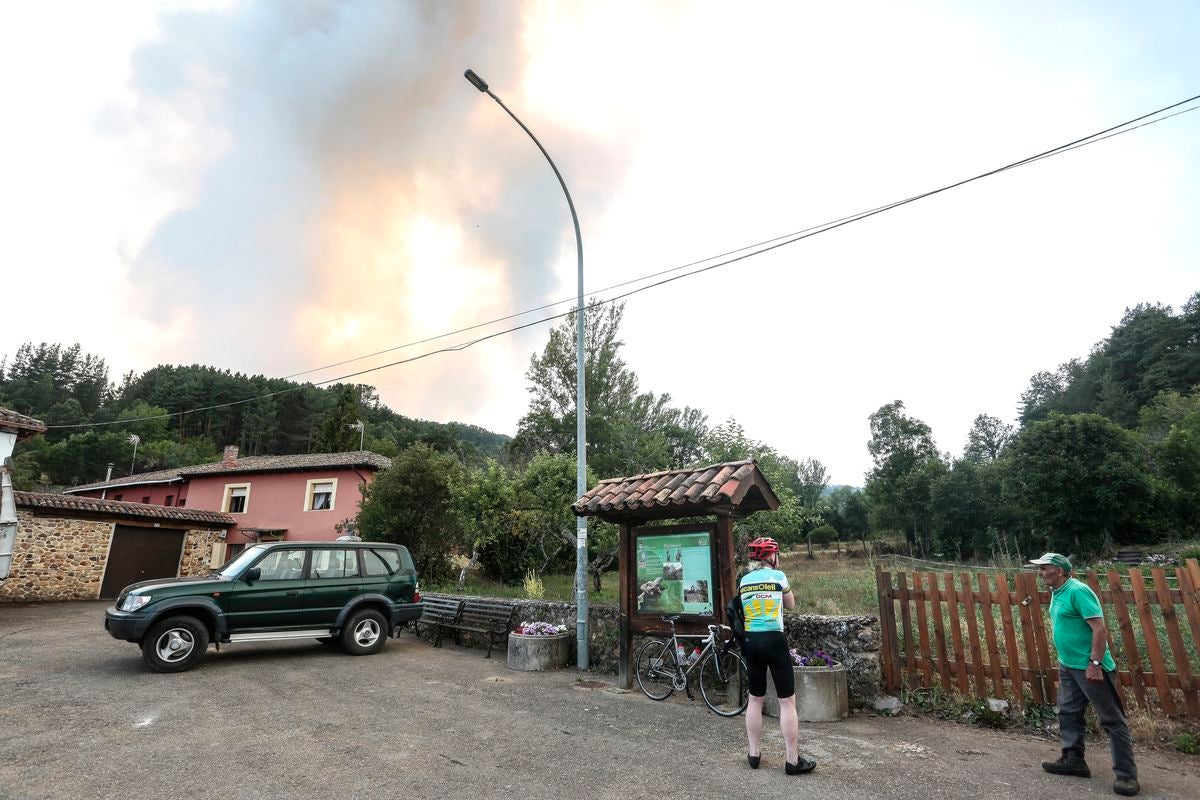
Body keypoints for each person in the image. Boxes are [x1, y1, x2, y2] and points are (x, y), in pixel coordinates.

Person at [1032, 552, 1139, 797]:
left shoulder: (1078, 591)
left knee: (1112, 720)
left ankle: (1126, 776)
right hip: (1068, 666)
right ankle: (1073, 760)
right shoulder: (1057, 592)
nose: (1040, 573)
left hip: (1090, 667)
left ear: (1058, 570)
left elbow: (1099, 630)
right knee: (1068, 711)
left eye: (1043, 568)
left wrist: (1094, 663)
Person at [739, 536, 816, 775]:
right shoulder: (779, 577)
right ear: (772, 556)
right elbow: (790, 604)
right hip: (774, 640)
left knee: (754, 699)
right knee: (786, 701)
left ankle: (753, 754)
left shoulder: (744, 580)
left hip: (751, 641)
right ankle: (792, 761)